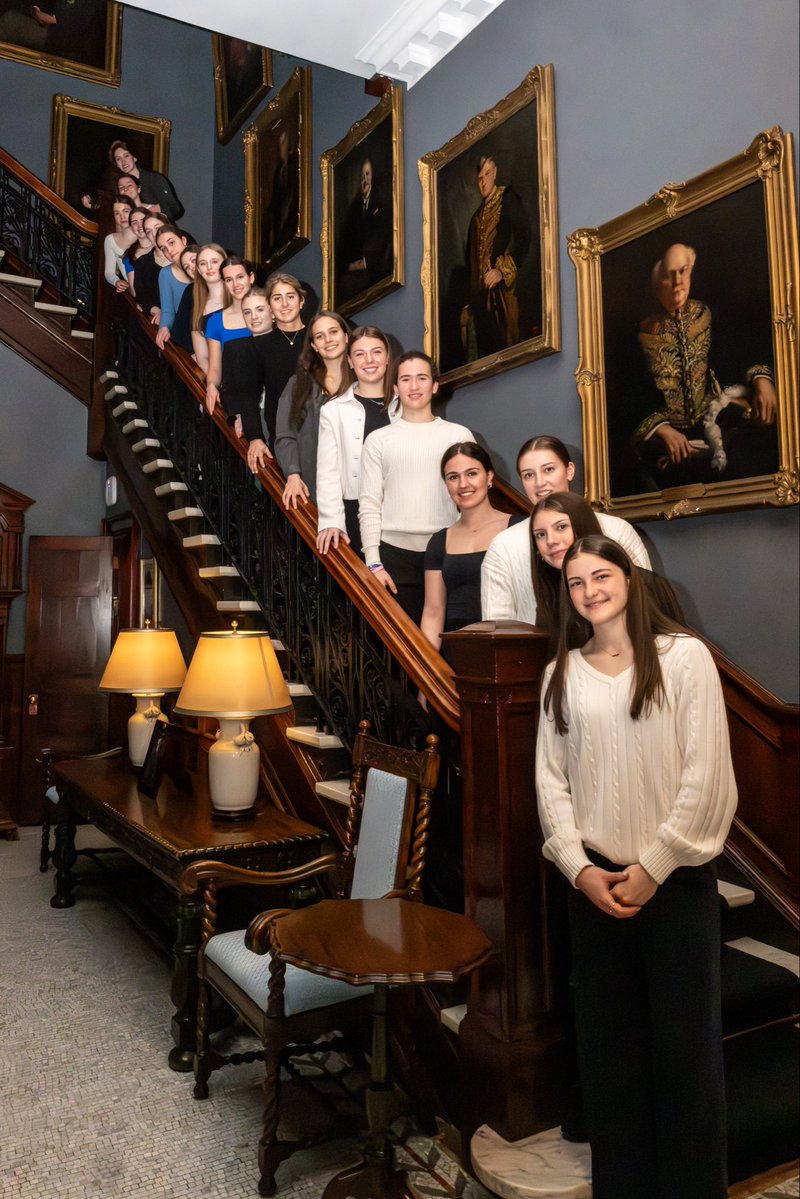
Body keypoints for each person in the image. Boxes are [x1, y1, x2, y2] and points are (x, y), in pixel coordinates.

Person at [536, 534, 737, 1199]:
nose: (590, 590)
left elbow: (707, 778)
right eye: (576, 583)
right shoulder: (561, 671)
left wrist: (654, 863)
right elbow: (551, 783)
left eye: (601, 575)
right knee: (610, 1064)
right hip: (594, 892)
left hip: (674, 887)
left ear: (629, 576)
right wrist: (577, 865)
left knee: (685, 1060)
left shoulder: (684, 658)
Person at [633, 242, 777, 486]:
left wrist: (762, 379)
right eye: (669, 275)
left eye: (684, 271)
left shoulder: (708, 314)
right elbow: (629, 400)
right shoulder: (641, 334)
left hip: (721, 423)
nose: (678, 281)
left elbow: (740, 353)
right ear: (657, 281)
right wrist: (660, 429)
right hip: (672, 446)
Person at [481, 435, 651, 624]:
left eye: (549, 470)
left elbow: (646, 600)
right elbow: (497, 626)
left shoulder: (617, 530)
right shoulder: (504, 545)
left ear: (569, 471)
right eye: (529, 475)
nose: (540, 482)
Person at [358, 352, 473, 624]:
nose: (414, 386)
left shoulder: (458, 436)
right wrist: (373, 562)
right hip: (393, 557)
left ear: (434, 385)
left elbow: (472, 500)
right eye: (406, 379)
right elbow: (369, 503)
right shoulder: (378, 440)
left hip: (448, 551)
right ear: (396, 389)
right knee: (403, 645)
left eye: (422, 378)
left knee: (451, 638)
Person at [421, 442, 521, 651]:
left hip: (509, 648)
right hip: (456, 654)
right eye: (453, 477)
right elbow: (433, 611)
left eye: (472, 473)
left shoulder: (519, 528)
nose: (463, 484)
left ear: (490, 477)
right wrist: (428, 669)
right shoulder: (439, 541)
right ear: (446, 484)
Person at [316, 326, 397, 558]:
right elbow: (328, 471)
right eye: (360, 354)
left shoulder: (406, 404)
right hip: (356, 510)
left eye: (376, 352)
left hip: (402, 509)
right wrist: (331, 520)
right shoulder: (333, 410)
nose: (369, 360)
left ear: (388, 357)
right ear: (350, 361)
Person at [274, 310, 353, 507]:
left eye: (333, 332)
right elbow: (285, 434)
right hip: (315, 484)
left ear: (346, 336)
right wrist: (293, 475)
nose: (328, 340)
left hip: (359, 483)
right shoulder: (298, 384)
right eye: (319, 336)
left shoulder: (364, 380)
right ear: (314, 346)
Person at [229, 273, 308, 468]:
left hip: (325, 429)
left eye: (290, 296)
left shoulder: (318, 336)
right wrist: (255, 437)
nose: (284, 304)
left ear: (301, 301)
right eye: (276, 298)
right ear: (270, 307)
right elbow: (248, 396)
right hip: (284, 434)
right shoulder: (257, 345)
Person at [462, 154, 530, 362]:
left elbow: (524, 238)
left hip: (505, 294)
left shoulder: (507, 198)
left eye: (487, 175)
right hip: (481, 300)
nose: (483, 182)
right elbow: (470, 265)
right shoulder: (475, 218)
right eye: (480, 178)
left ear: (495, 174)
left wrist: (502, 272)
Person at [204, 255, 254, 415]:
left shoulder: (269, 311)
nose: (235, 284)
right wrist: (211, 385)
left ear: (251, 278)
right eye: (229, 280)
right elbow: (215, 368)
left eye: (240, 277)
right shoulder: (215, 321)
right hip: (237, 396)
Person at [337, 158, 391, 303]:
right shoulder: (354, 210)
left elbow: (382, 240)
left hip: (372, 267)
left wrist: (365, 263)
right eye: (362, 177)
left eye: (367, 174)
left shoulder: (380, 205)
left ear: (373, 177)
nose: (364, 180)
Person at [107, 141, 183, 221]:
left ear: (134, 157)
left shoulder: (154, 178)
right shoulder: (119, 185)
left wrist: (152, 211)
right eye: (118, 159)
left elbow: (175, 209)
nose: (123, 161)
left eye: (126, 156)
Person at [191, 243, 229, 375]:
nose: (209, 267)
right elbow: (203, 360)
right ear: (199, 270)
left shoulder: (242, 299)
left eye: (214, 261)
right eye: (202, 263)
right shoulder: (198, 309)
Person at [263, 127, 298, 257]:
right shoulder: (279, 170)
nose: (280, 147)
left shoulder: (295, 164)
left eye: (283, 143)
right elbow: (275, 199)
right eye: (280, 144)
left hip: (290, 213)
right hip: (279, 215)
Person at [154, 225, 190, 350]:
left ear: (184, 240)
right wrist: (164, 326)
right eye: (163, 248)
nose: (169, 250)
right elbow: (168, 310)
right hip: (187, 334)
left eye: (172, 242)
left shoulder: (203, 263)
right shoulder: (165, 274)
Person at [170, 244, 199, 355]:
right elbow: (179, 331)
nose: (191, 267)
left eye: (194, 260)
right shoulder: (190, 291)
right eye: (186, 267)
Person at [103, 197, 136, 291]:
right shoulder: (110, 239)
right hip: (134, 290)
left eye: (126, 211)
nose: (122, 216)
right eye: (117, 213)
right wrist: (116, 281)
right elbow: (109, 272)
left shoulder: (143, 234)